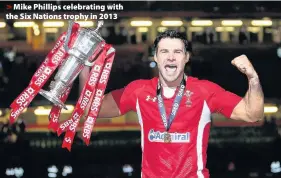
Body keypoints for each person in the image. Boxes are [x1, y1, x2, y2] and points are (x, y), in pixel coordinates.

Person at [79, 30, 264, 178]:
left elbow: (252, 114)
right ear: (156, 57)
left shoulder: (205, 91)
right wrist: (85, 66)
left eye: (177, 52)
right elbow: (89, 109)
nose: (171, 57)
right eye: (164, 51)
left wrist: (253, 78)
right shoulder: (138, 91)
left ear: (186, 57)